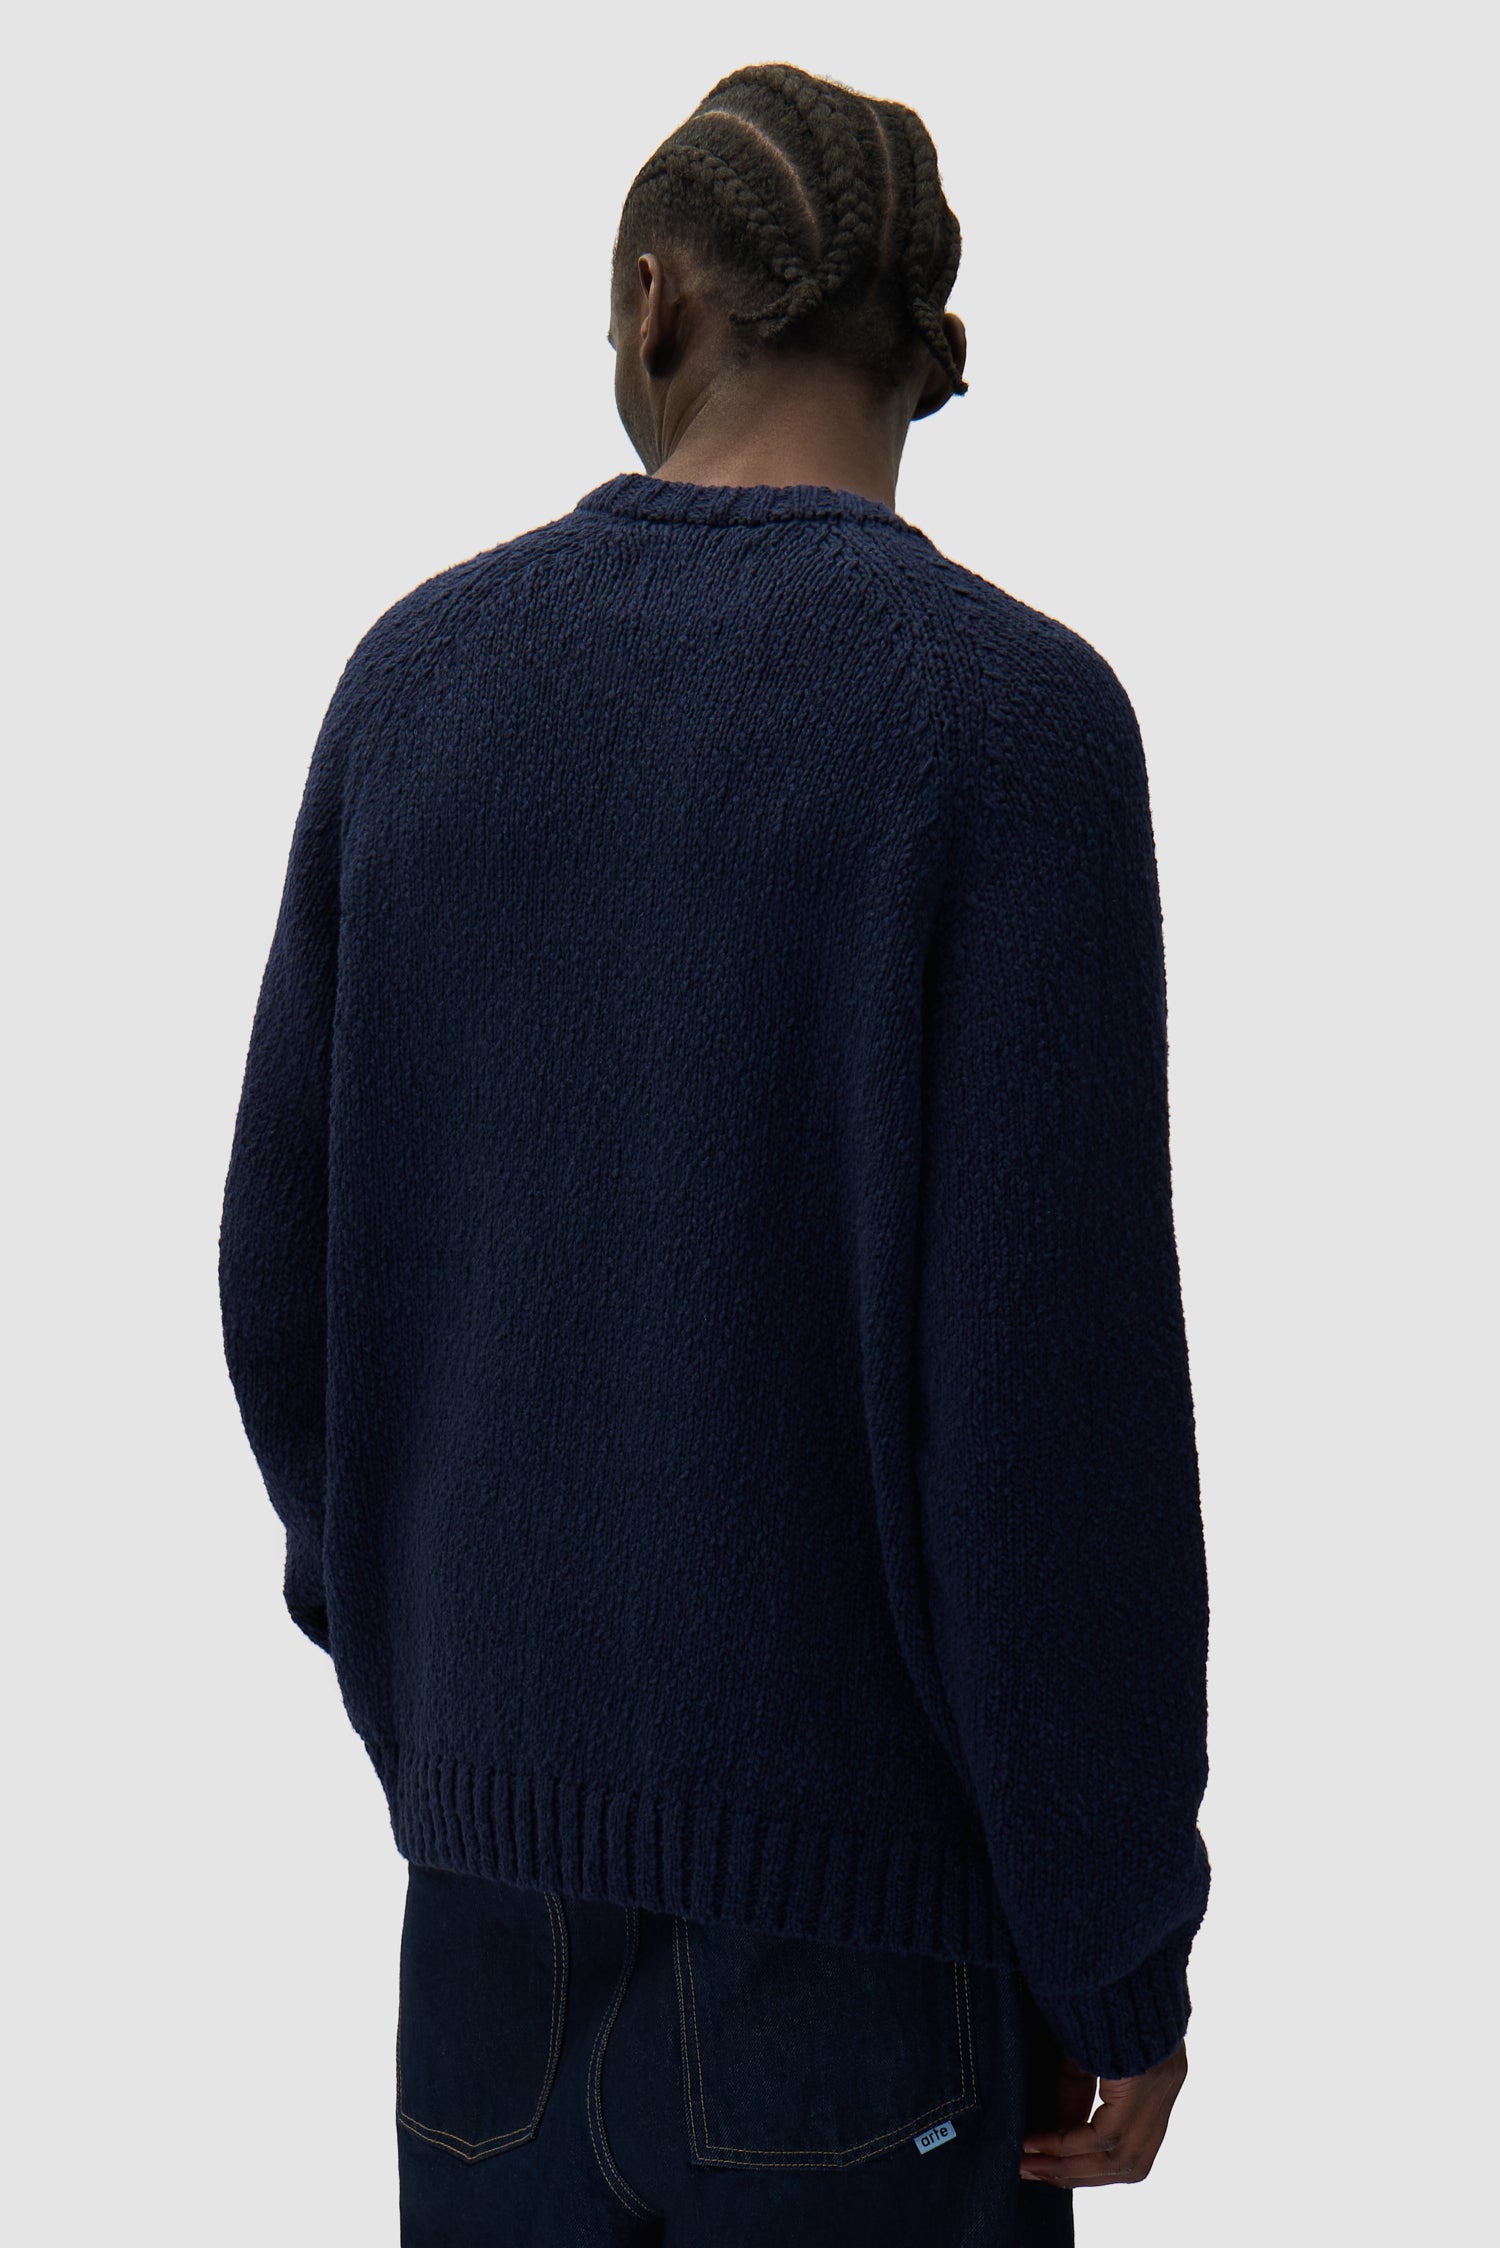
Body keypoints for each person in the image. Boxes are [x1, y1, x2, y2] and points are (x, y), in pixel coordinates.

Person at [218, 58, 1210, 2247]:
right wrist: (1116, 1942)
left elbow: (282, 1294)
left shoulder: (417, 687)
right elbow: (1050, 1432)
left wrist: (453, 1708)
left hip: (486, 1954)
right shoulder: (1011, 729)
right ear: (925, 350)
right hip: (871, 1982)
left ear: (657, 302)